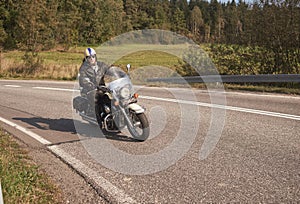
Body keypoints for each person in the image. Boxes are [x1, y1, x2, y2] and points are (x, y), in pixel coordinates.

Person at [79, 47, 110, 124]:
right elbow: (83, 79)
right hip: (90, 90)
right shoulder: (83, 68)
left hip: (102, 88)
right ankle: (99, 119)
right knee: (96, 99)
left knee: (113, 97)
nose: (92, 59)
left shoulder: (101, 65)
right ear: (86, 59)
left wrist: (121, 74)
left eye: (93, 56)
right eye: (89, 57)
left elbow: (110, 70)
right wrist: (89, 84)